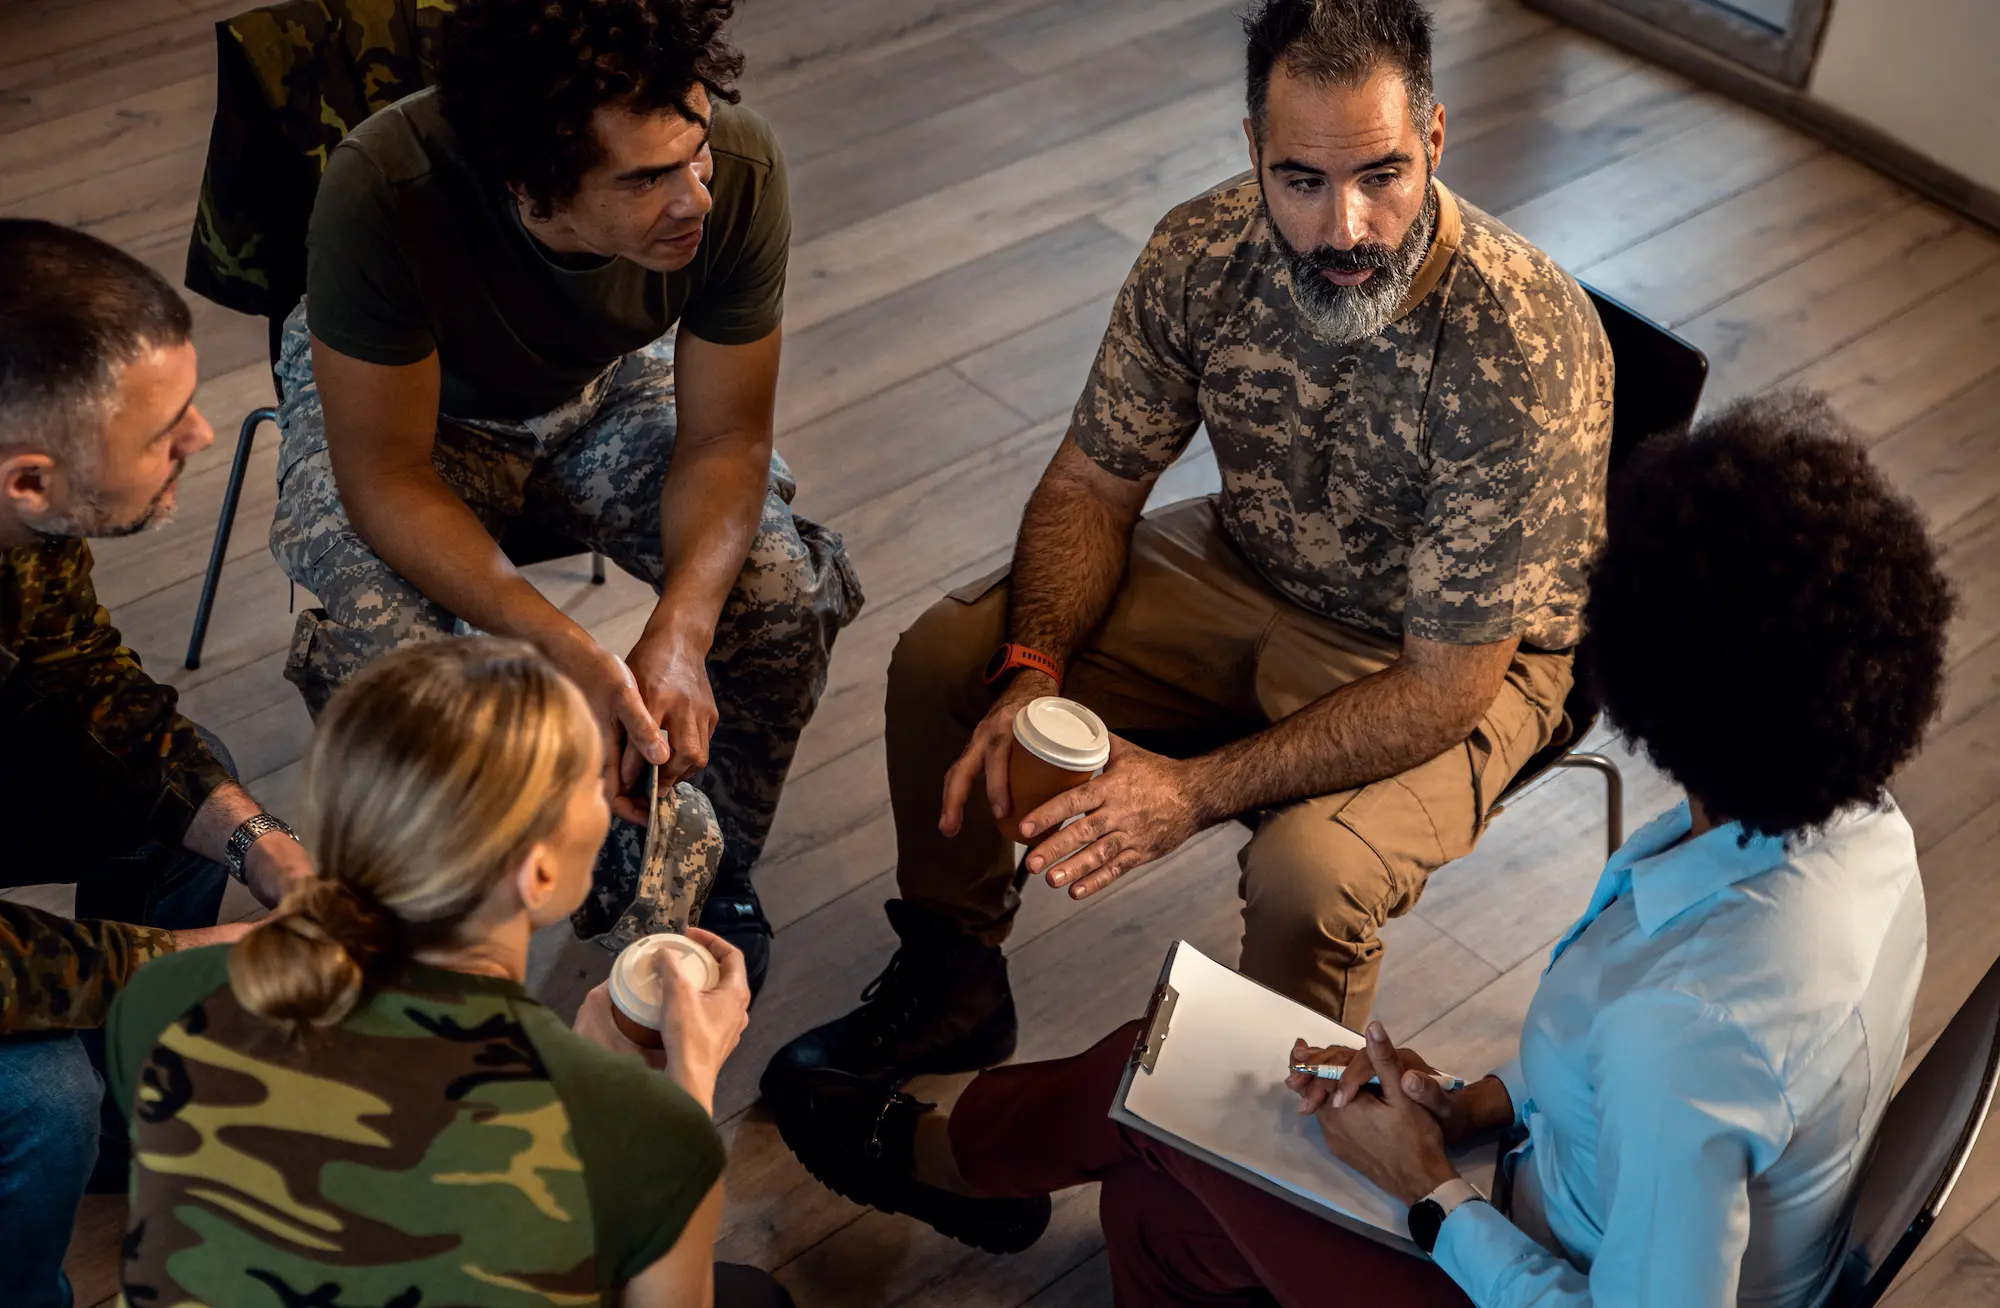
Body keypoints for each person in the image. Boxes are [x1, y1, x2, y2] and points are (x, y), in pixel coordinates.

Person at [771, 390, 1953, 1306]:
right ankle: (963, 1165)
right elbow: (1659, 1107)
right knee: (1162, 1195)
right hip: (1553, 1186)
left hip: (1523, 1252)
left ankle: (939, 1161)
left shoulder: (1685, 1029)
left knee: (1179, 1085)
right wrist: (1468, 1101)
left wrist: (1429, 1196)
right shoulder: (1858, 836)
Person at [768, 0, 1613, 1092]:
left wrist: (1190, 791)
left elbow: (1445, 688)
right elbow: (1087, 483)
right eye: (1300, 179)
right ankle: (950, 982)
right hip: (1247, 560)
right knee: (948, 659)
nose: (1343, 228)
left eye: (1381, 177)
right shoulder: (1200, 248)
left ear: (1435, 140)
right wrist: (1031, 669)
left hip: (1447, 656)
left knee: (1313, 876)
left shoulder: (1518, 345)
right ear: (1252, 149)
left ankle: (1260, 1149)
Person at [268, 0, 863, 992]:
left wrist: (678, 629)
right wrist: (566, 647)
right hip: (415, 417)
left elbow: (725, 437)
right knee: (396, 666)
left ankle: (696, 867)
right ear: (528, 187)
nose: (696, 199)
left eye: (695, 152)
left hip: (604, 380)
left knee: (777, 596)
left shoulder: (736, 170)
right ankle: (431, 926)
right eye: (645, 178)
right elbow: (387, 477)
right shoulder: (385, 186)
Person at [106, 638, 791, 1307]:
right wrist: (688, 1092)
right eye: (592, 781)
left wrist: (585, 1068)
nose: (611, 797)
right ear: (539, 872)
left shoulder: (159, 996)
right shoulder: (641, 1127)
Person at [0, 219, 314, 1308]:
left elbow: (85, 684)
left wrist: (264, 848)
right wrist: (195, 956)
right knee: (38, 1097)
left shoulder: (23, 521)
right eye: (163, 430)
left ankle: (136, 1135)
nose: (203, 432)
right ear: (32, 478)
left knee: (195, 780)